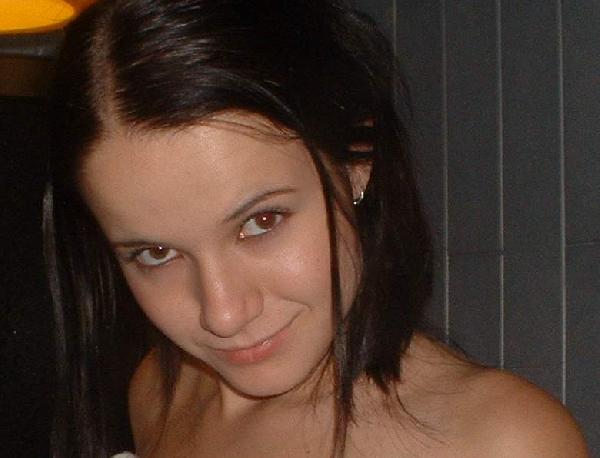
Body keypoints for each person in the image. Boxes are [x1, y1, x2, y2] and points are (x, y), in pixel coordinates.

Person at [43, 0, 589, 457]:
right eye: (156, 253)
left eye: (261, 222)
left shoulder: (500, 441)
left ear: (356, 161)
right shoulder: (162, 393)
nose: (224, 314)